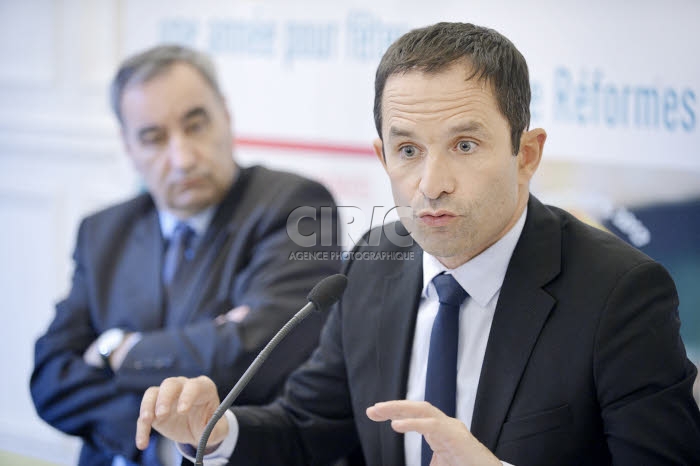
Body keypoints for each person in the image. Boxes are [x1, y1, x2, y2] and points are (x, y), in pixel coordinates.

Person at [135, 23, 700, 466]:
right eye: (408, 151)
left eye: (464, 145)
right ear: (382, 158)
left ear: (525, 154)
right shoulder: (371, 267)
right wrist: (215, 431)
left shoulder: (621, 293)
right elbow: (309, 426)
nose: (431, 183)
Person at [30, 45, 341, 466]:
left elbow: (256, 354)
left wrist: (116, 350)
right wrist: (158, 435)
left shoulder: (298, 207)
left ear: (226, 116)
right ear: (128, 147)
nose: (183, 158)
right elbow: (51, 379)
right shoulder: (102, 232)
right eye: (154, 138)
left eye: (196, 126)